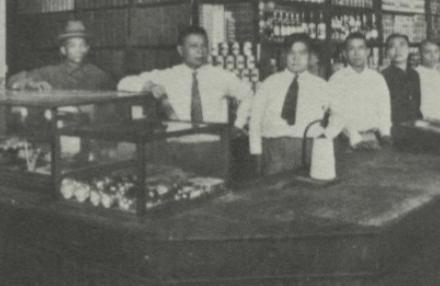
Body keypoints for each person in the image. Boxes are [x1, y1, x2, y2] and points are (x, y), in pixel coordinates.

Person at [118, 26, 252, 130]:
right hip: (178, 143)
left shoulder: (221, 76)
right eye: (193, 46)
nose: (200, 51)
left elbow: (248, 95)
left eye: (204, 46)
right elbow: (123, 83)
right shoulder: (169, 75)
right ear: (181, 50)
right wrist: (150, 86)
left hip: (215, 144)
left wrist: (238, 126)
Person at [248, 34, 336, 175]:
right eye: (291, 53)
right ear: (284, 55)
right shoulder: (269, 83)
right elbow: (255, 120)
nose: (296, 58)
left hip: (309, 150)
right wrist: (256, 153)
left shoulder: (321, 86)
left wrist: (326, 136)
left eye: (302, 53)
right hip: (275, 153)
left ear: (309, 56)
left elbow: (339, 115)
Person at [7, 20, 114, 91]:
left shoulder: (98, 74)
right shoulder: (51, 72)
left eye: (82, 45)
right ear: (63, 50)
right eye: (72, 46)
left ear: (87, 49)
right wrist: (30, 84)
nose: (78, 50)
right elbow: (12, 81)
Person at [328, 32, 391, 150]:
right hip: (345, 139)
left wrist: (385, 136)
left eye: (361, 48)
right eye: (351, 49)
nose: (357, 53)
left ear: (367, 52)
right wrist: (356, 139)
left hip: (372, 137)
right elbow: (338, 115)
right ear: (345, 53)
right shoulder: (336, 79)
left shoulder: (377, 78)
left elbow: (384, 111)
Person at [381, 33, 422, 125]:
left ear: (409, 49)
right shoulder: (383, 77)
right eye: (392, 46)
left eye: (402, 45)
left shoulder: (414, 75)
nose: (397, 50)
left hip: (415, 126)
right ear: (387, 52)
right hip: (393, 127)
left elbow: (417, 107)